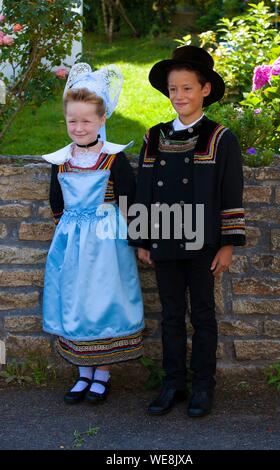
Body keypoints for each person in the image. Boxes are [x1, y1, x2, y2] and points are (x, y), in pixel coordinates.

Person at [129, 46, 246, 417]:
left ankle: (203, 386)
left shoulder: (220, 137)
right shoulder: (154, 135)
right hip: (163, 240)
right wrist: (141, 237)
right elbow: (143, 187)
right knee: (170, 315)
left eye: (188, 88)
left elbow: (231, 192)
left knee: (204, 316)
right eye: (173, 89)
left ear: (205, 90)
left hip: (203, 243)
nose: (179, 96)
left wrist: (228, 245)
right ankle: (173, 383)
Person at [42, 63, 144, 405]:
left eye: (86, 120)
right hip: (72, 240)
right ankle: (82, 372)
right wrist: (69, 229)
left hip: (106, 242)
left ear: (102, 119)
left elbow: (131, 200)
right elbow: (56, 199)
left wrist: (138, 238)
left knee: (103, 298)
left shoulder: (113, 158)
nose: (79, 127)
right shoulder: (61, 160)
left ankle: (102, 374)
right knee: (75, 298)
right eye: (73, 120)